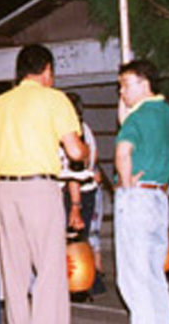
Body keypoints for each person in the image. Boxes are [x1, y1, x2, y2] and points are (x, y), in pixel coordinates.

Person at [0, 45, 85, 324]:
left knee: (14, 272)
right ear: (47, 70)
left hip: (5, 191)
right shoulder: (55, 99)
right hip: (40, 190)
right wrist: (84, 151)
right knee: (49, 270)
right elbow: (75, 152)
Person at [113, 60, 169, 324]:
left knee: (134, 278)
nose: (122, 92)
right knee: (153, 274)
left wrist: (126, 181)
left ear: (144, 83)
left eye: (126, 85)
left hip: (137, 197)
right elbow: (124, 119)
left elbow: (122, 151)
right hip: (159, 197)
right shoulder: (166, 113)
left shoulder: (139, 117)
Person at [60, 92, 100, 302]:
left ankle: (78, 285)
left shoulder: (70, 132)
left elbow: (73, 167)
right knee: (80, 237)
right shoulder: (86, 130)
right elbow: (94, 156)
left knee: (72, 237)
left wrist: (74, 203)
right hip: (88, 189)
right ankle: (87, 283)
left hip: (74, 190)